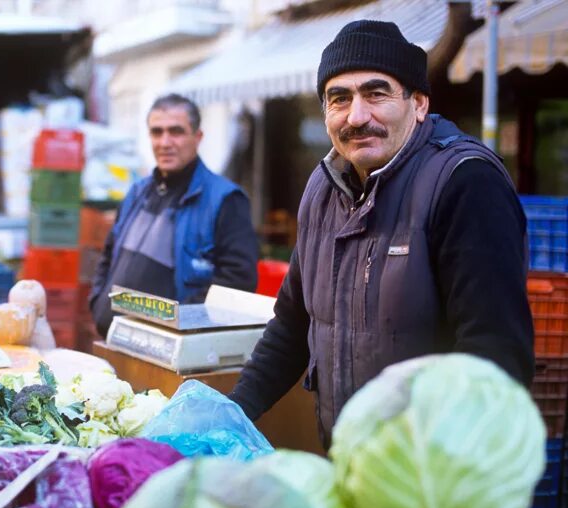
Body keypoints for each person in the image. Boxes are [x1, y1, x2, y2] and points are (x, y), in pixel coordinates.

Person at [228, 20, 535, 449]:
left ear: (419, 103)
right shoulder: (322, 190)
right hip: (351, 464)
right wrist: (231, 413)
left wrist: (435, 476)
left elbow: (496, 356)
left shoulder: (465, 183)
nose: (357, 116)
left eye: (376, 94)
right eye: (339, 99)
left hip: (431, 476)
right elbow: (293, 325)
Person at [89, 93, 259, 337]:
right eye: (157, 132)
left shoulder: (226, 200)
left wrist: (176, 325)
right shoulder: (138, 192)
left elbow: (237, 283)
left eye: (176, 131)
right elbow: (107, 255)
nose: (165, 142)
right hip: (113, 339)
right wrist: (98, 304)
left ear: (197, 137)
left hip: (170, 352)